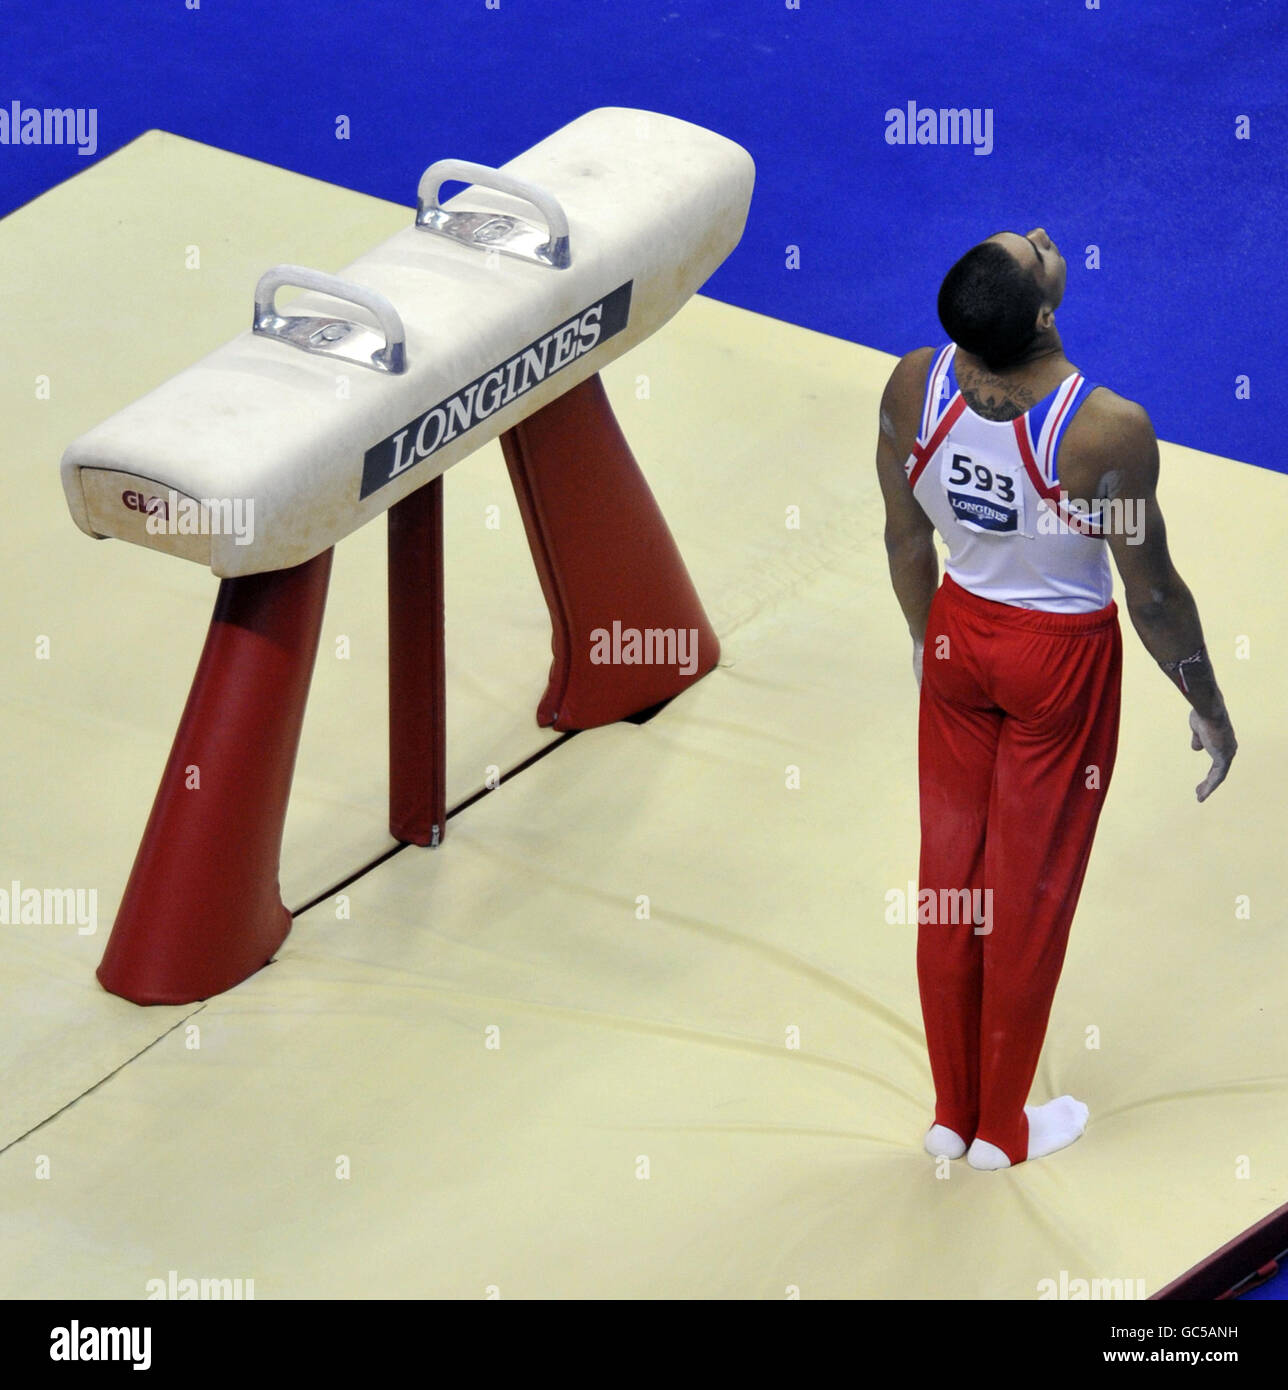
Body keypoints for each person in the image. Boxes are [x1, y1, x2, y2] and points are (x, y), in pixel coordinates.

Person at [874, 227, 1238, 1170]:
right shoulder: (1101, 431)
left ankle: (950, 1113)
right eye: (1034, 252)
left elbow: (905, 537)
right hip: (1055, 663)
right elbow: (1150, 590)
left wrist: (927, 642)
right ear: (1044, 313)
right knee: (1026, 893)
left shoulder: (914, 385)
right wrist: (1207, 703)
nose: (1043, 239)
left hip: (958, 634)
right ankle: (1001, 1128)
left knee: (951, 885)